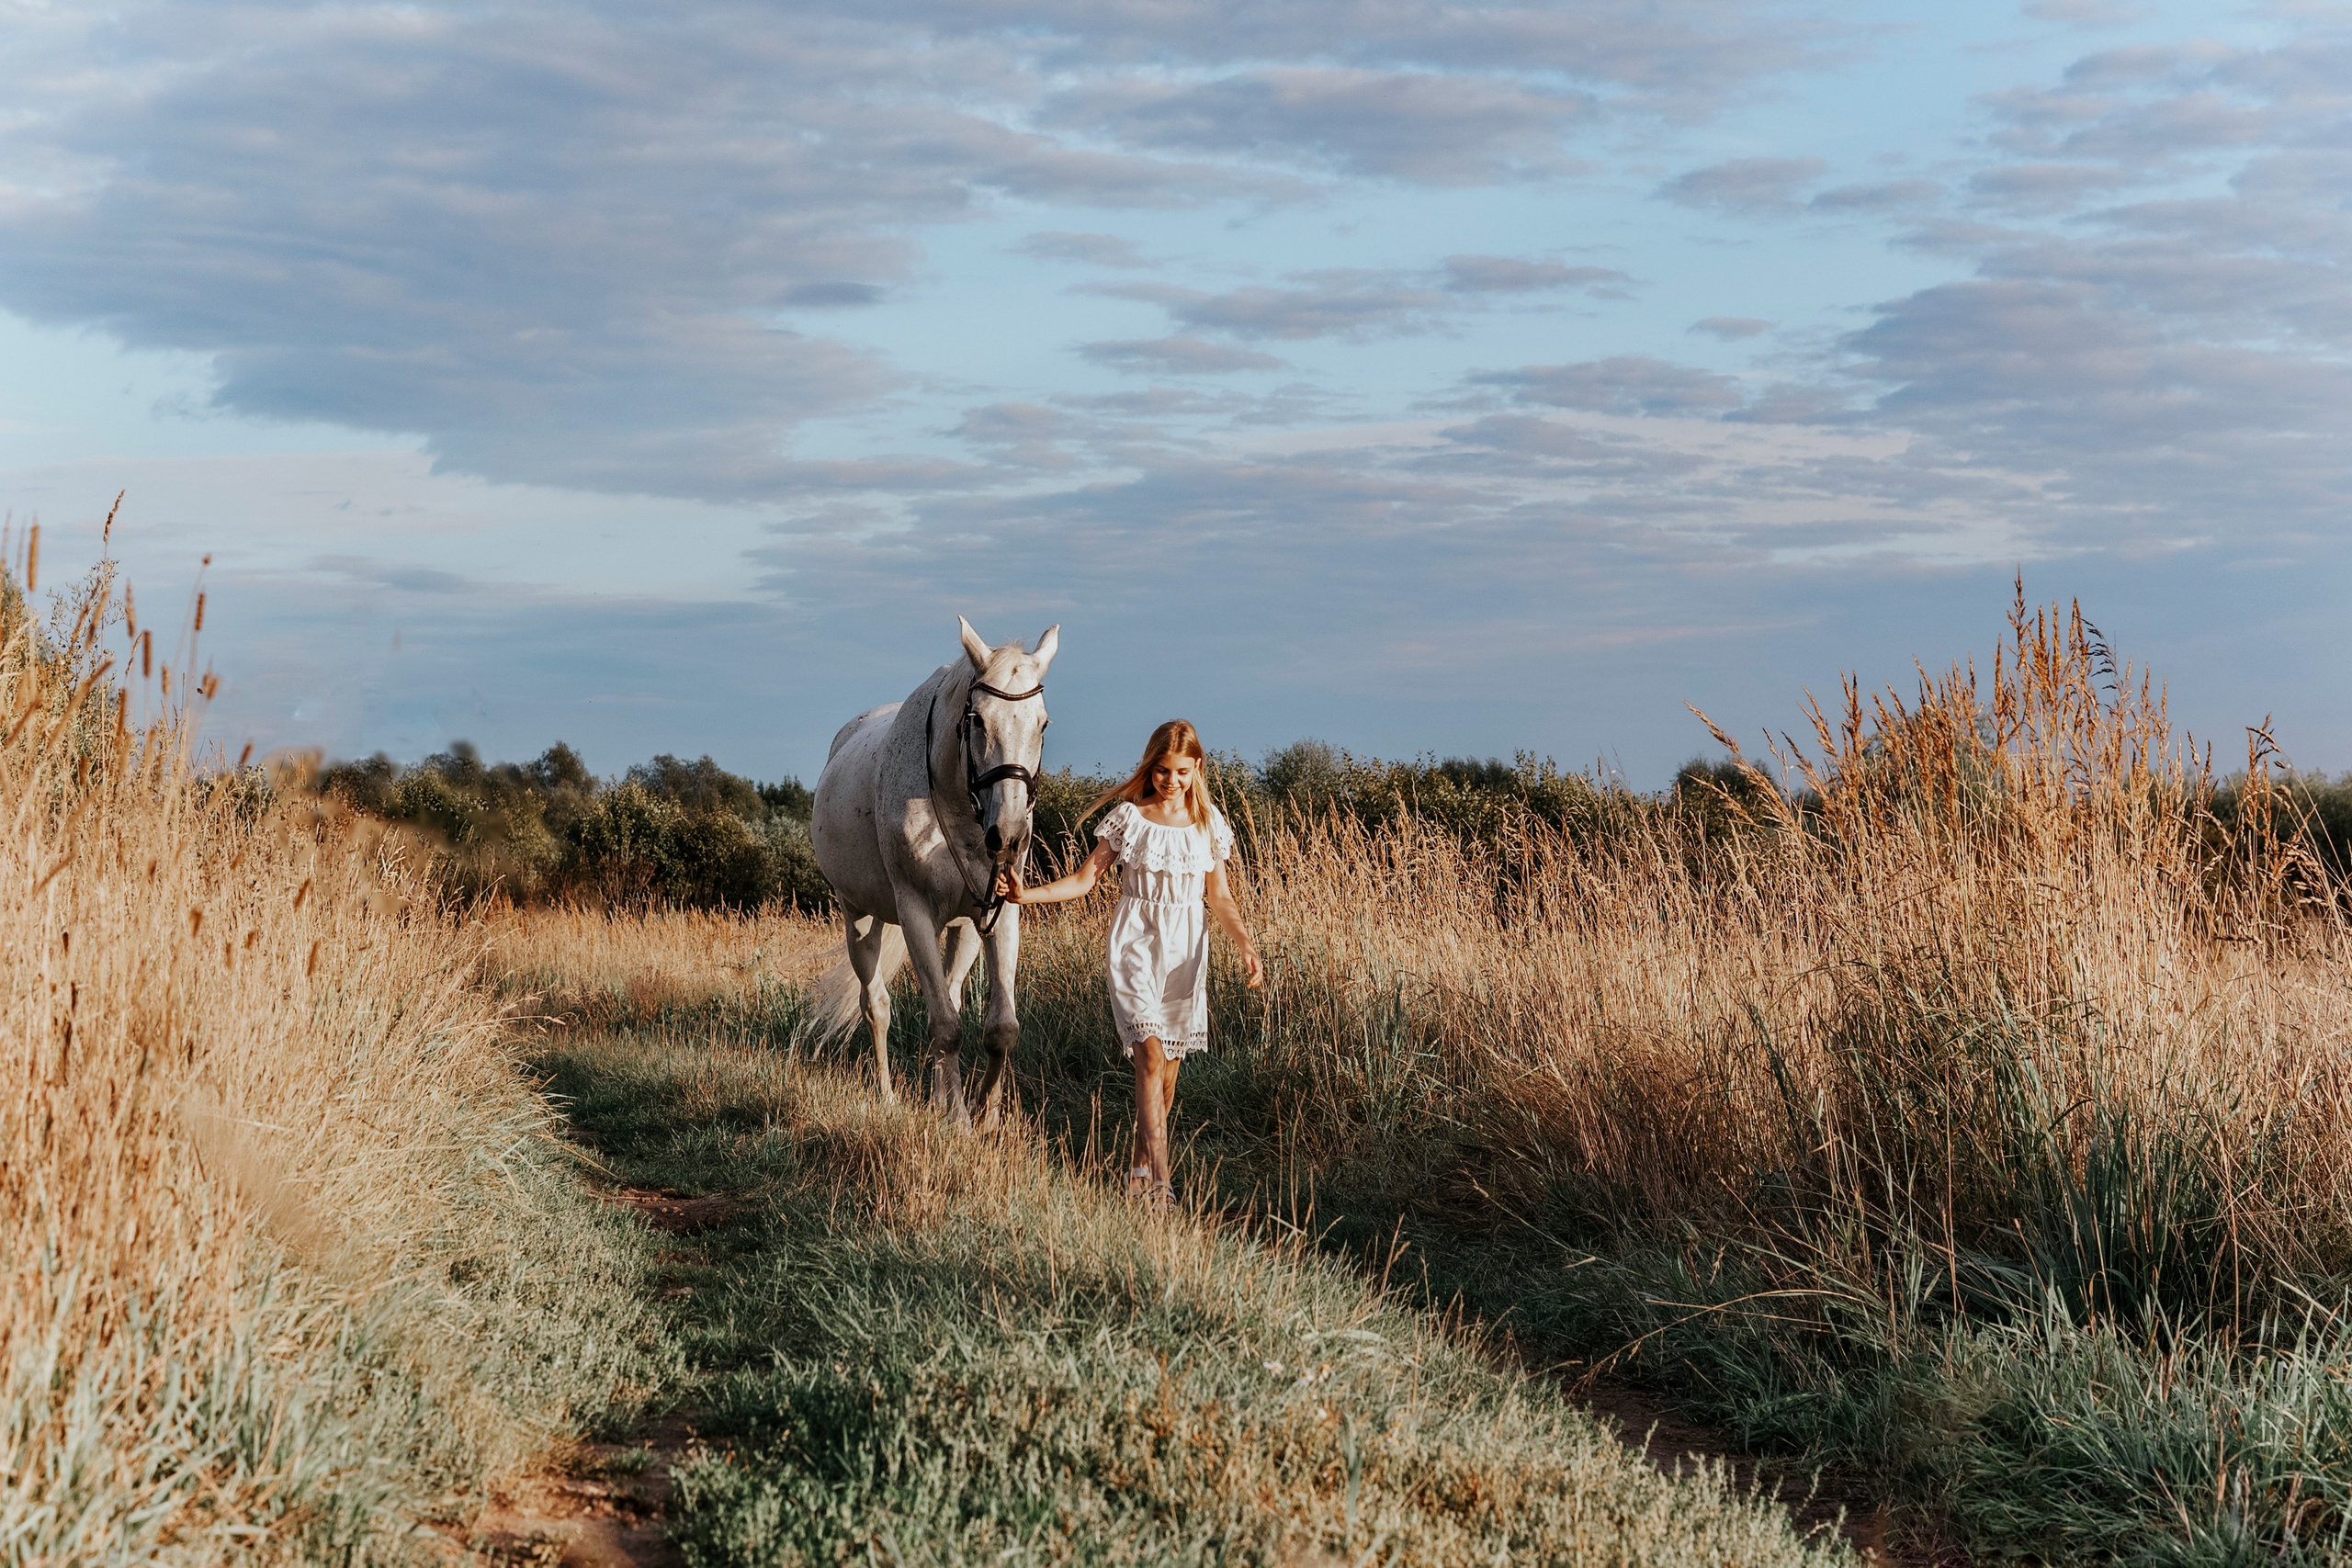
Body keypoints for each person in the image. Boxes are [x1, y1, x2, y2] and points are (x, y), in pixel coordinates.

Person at [1000, 720, 1262, 1207]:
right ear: (1149, 767)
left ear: (1197, 768)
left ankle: (1138, 1173)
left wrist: (1245, 942)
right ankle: (1162, 1185)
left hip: (1186, 950)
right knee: (1150, 1055)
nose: (1171, 780)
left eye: (1181, 771)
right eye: (1162, 770)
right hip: (1135, 943)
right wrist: (1025, 895)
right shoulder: (1129, 818)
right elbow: (1084, 879)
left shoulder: (1208, 824)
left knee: (1167, 1077)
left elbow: (1221, 897)